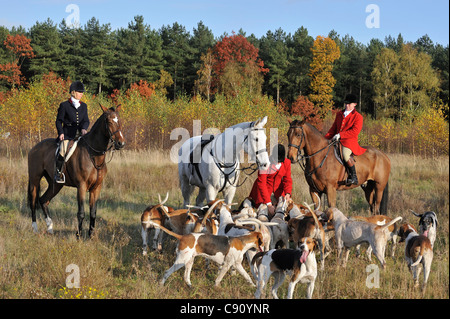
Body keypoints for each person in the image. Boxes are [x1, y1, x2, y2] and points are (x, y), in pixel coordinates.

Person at [324, 93, 366, 186]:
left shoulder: (358, 117)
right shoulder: (339, 114)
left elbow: (355, 131)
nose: (347, 105)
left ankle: (353, 177)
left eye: (349, 104)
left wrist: (341, 135)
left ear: (354, 104)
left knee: (345, 155)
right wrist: (325, 139)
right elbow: (333, 128)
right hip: (337, 140)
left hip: (349, 142)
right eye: (346, 103)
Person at [54, 81, 89, 183]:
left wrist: (84, 128)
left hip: (80, 135)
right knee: (62, 150)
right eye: (79, 92)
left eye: (82, 92)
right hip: (67, 135)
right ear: (73, 92)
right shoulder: (64, 105)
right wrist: (61, 133)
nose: (82, 94)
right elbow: (58, 121)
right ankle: (58, 173)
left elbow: (86, 120)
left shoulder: (84, 106)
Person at [249, 144, 293, 218]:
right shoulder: (264, 163)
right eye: (276, 160)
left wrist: (287, 193)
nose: (278, 163)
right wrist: (269, 204)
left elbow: (287, 179)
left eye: (280, 161)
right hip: (263, 191)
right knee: (262, 213)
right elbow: (262, 184)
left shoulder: (287, 162)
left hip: (278, 191)